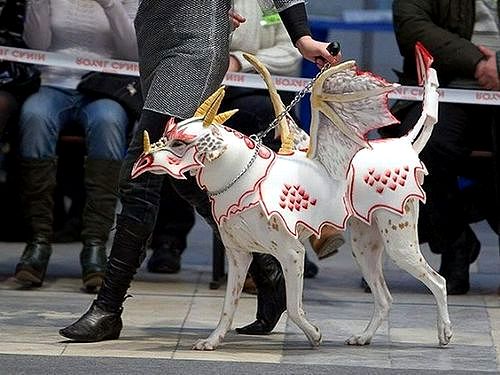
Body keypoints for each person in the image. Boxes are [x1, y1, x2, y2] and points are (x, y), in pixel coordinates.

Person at [59, 0, 340, 342]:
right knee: (185, 176)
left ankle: (107, 308)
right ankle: (268, 271)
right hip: (154, 32)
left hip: (196, 46)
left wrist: (302, 37)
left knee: (142, 171)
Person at [147, 0, 321, 280]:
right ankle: (169, 238)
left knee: (279, 127)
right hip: (198, 86)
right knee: (179, 135)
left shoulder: (272, 4)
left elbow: (291, 54)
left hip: (255, 89)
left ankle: (289, 241)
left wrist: (239, 60)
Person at [14, 0, 138, 291]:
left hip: (105, 87)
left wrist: (109, 4)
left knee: (109, 122)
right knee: (33, 115)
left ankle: (95, 245)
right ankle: (38, 241)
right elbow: (37, 44)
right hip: (54, 83)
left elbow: (131, 50)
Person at [386, 0, 499, 294]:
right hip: (447, 88)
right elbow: (412, 27)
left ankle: (458, 217)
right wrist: (478, 62)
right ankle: (454, 242)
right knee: (425, 149)